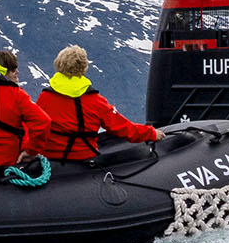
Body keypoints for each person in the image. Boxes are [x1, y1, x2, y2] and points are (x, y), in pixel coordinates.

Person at [30, 45, 162, 163]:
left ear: (58, 65)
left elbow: (34, 128)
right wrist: (151, 133)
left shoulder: (45, 98)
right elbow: (124, 128)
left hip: (52, 159)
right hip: (85, 159)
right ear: (84, 68)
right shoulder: (96, 101)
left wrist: (29, 152)